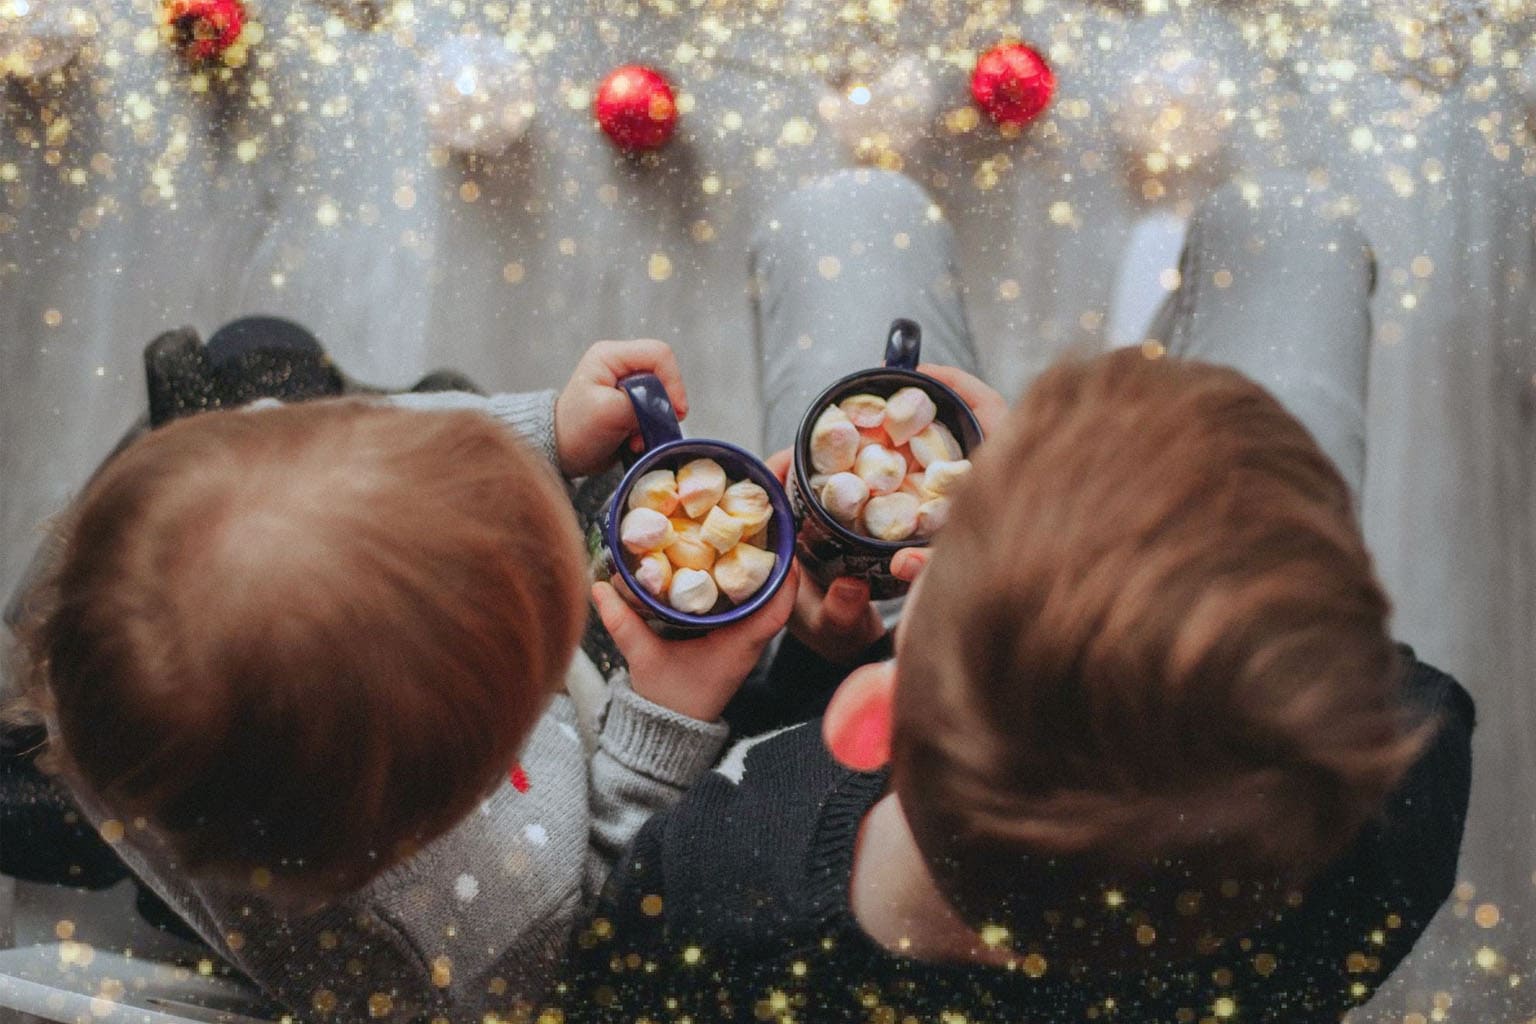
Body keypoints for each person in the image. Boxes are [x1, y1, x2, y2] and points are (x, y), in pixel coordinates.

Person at [557, 171, 1475, 1022]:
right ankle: (1175, 321)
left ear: (868, 717)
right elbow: (1384, 684)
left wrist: (806, 666)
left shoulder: (722, 895)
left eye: (947, 558)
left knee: (854, 210)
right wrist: (1076, 510)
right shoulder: (1385, 824)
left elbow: (608, 967)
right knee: (1291, 227)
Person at [8, 338, 796, 1022]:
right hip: (285, 889)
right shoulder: (475, 944)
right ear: (485, 769)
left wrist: (542, 432)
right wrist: (663, 718)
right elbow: (595, 921)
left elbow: (360, 435)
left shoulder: (110, 642)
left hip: (138, 788)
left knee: (259, 350)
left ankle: (61, 800)